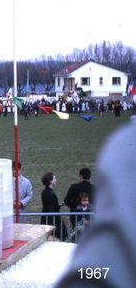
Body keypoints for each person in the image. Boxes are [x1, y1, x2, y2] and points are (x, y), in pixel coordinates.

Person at [56, 123, 136, 288]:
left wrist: (72, 207)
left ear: (80, 176)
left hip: (81, 222)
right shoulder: (95, 189)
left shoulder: (74, 187)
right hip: (92, 222)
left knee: (77, 239)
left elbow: (95, 272)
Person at [40, 172, 67, 241]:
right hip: (53, 219)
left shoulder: (45, 191)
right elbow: (50, 209)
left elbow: (49, 206)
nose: (56, 180)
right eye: (54, 178)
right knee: (61, 237)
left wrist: (59, 205)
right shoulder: (50, 193)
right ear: (50, 181)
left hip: (47, 218)